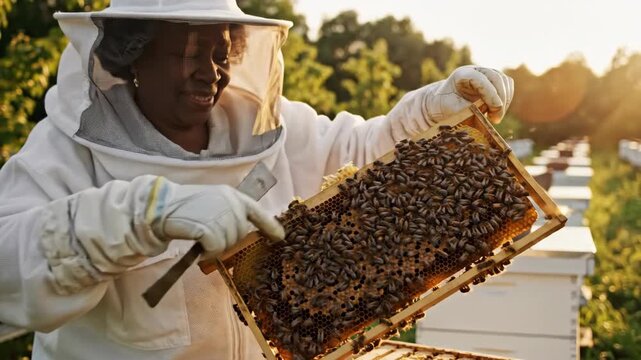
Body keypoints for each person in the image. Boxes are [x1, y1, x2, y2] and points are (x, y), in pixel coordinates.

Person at [0, 0, 514, 359]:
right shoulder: (67, 152)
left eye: (221, 51)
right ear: (135, 55)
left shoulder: (268, 127)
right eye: (188, 53)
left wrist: (427, 115)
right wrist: (136, 217)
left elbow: (360, 159)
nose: (210, 72)